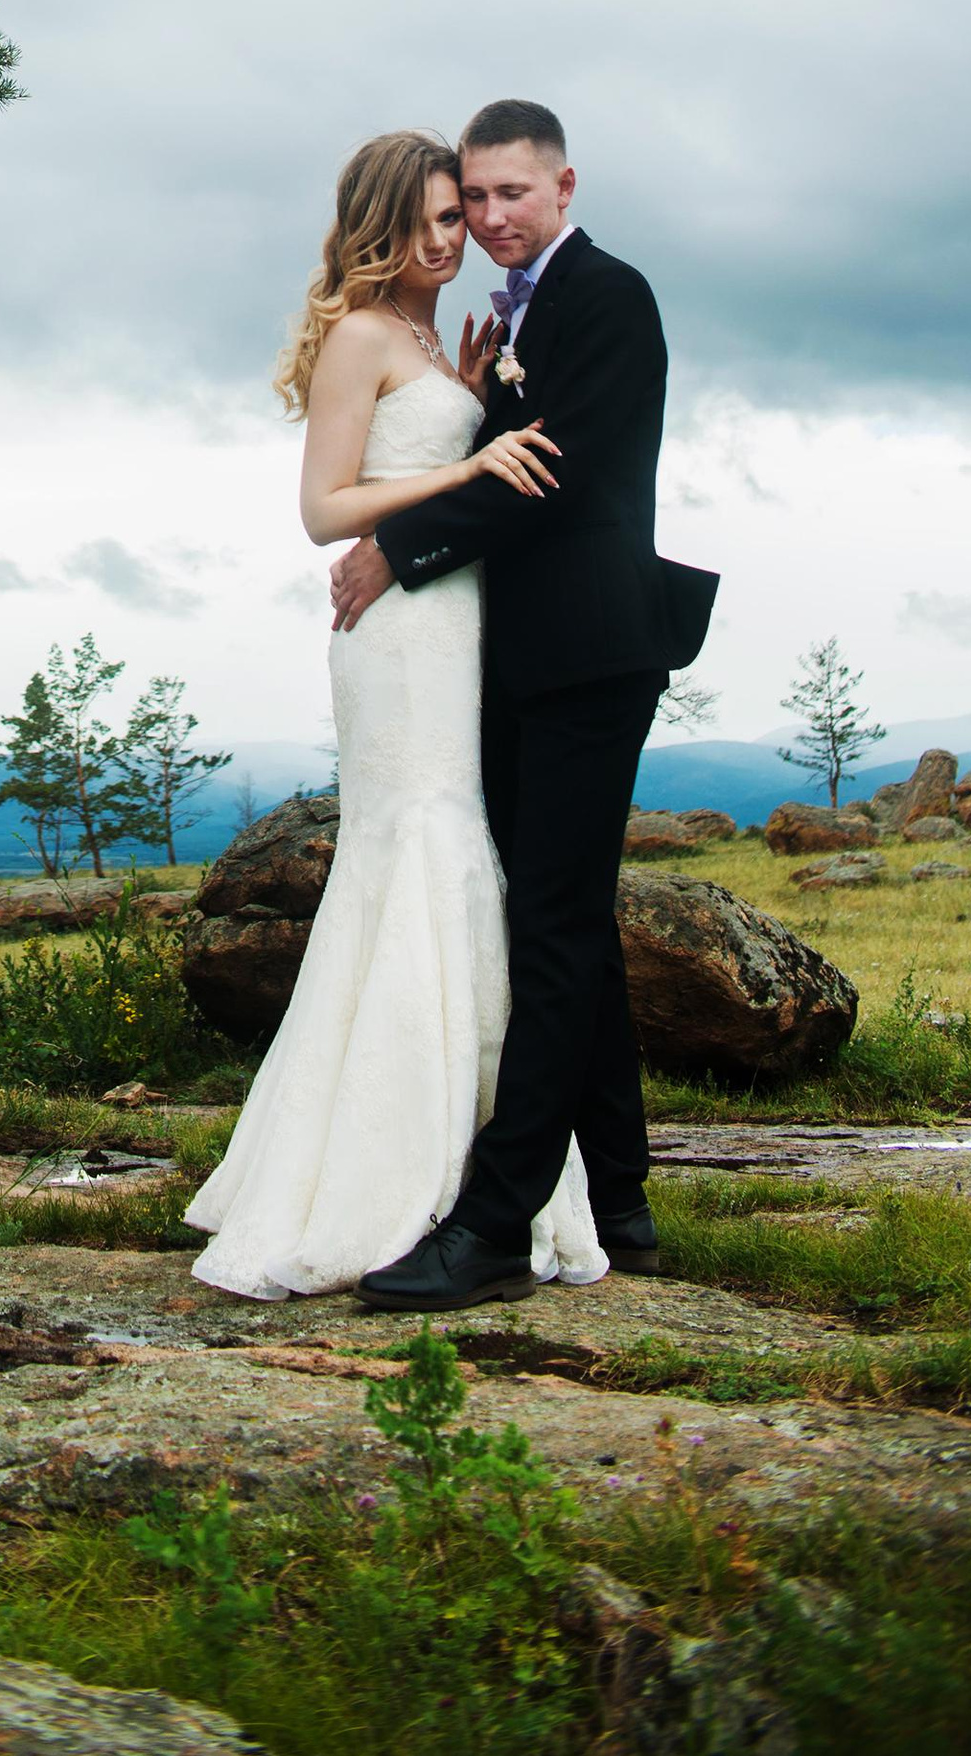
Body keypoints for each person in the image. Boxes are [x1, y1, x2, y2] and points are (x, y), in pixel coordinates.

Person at [184, 128, 607, 1298]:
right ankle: (377, 1174)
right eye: (425, 218)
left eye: (454, 214)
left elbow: (421, 468)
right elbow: (325, 509)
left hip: (456, 625)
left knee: (457, 854)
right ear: (376, 222)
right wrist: (468, 463)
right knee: (415, 848)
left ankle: (469, 1170)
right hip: (398, 645)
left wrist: (464, 408)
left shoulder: (433, 338)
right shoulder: (362, 332)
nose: (447, 236)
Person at [333, 99, 717, 1313]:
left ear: (562, 186)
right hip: (517, 657)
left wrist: (402, 543)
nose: (490, 218)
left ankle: (495, 1223)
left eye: (509, 194)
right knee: (571, 924)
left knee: (549, 928)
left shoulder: (607, 295)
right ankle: (622, 1198)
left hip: (590, 651)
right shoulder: (505, 316)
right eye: (473, 199)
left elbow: (547, 475)